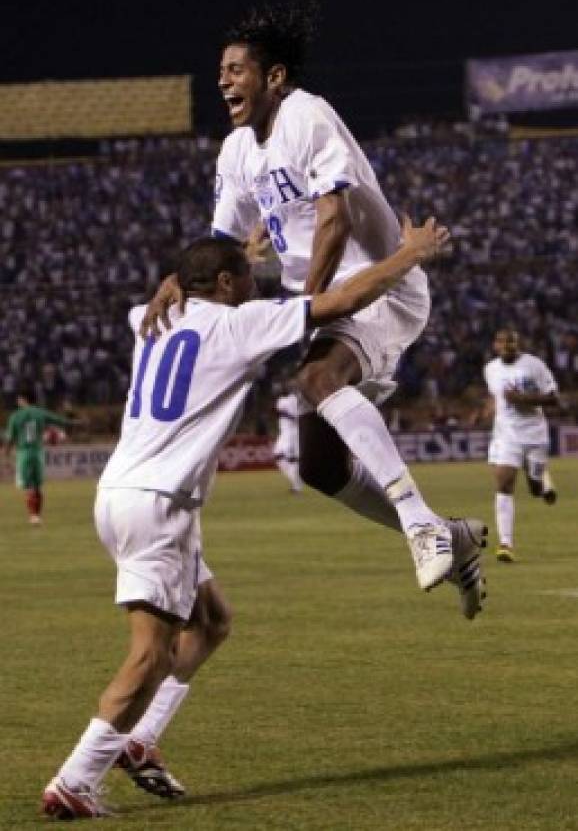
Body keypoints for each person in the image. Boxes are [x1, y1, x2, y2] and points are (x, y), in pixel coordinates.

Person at [42, 223, 449, 819]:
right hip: (160, 502)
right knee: (150, 655)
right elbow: (342, 301)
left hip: (123, 492)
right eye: (248, 280)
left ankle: (140, 740)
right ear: (226, 283)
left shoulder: (148, 318)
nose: (255, 291)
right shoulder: (236, 325)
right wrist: (408, 256)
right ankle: (76, 779)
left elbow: (179, 284)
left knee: (210, 620)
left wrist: (184, 277)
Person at [143, 0, 486, 619]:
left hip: (378, 285)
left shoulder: (308, 117)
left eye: (236, 69)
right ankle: (450, 534)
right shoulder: (236, 153)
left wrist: (305, 310)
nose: (223, 79)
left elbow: (335, 218)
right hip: (325, 299)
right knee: (322, 465)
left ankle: (420, 524)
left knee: (317, 375)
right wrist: (176, 276)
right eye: (220, 70)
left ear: (274, 77)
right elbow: (223, 243)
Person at [483, 328, 559, 562]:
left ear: (518, 345)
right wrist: (486, 410)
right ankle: (506, 544)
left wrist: (523, 400)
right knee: (504, 484)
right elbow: (495, 396)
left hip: (534, 434)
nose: (507, 349)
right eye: (503, 345)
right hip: (506, 436)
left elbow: (553, 398)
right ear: (496, 346)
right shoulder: (491, 369)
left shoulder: (534, 366)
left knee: (535, 489)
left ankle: (541, 478)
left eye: (512, 346)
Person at [3, 392, 72, 524]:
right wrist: (74, 422)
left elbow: (9, 438)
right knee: (37, 485)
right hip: (38, 452)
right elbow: (59, 420)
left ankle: (33, 516)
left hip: (24, 453)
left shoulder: (16, 416)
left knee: (28, 486)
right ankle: (37, 515)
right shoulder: (40, 413)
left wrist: (6, 453)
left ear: (22, 399)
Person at [273, 382, 303, 493]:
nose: (280, 390)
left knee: (290, 459)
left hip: (292, 433)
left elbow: (296, 417)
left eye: (282, 388)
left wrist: (283, 413)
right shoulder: (280, 400)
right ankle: (297, 482)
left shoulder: (293, 400)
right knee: (279, 457)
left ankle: (297, 485)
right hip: (284, 433)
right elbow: (280, 414)